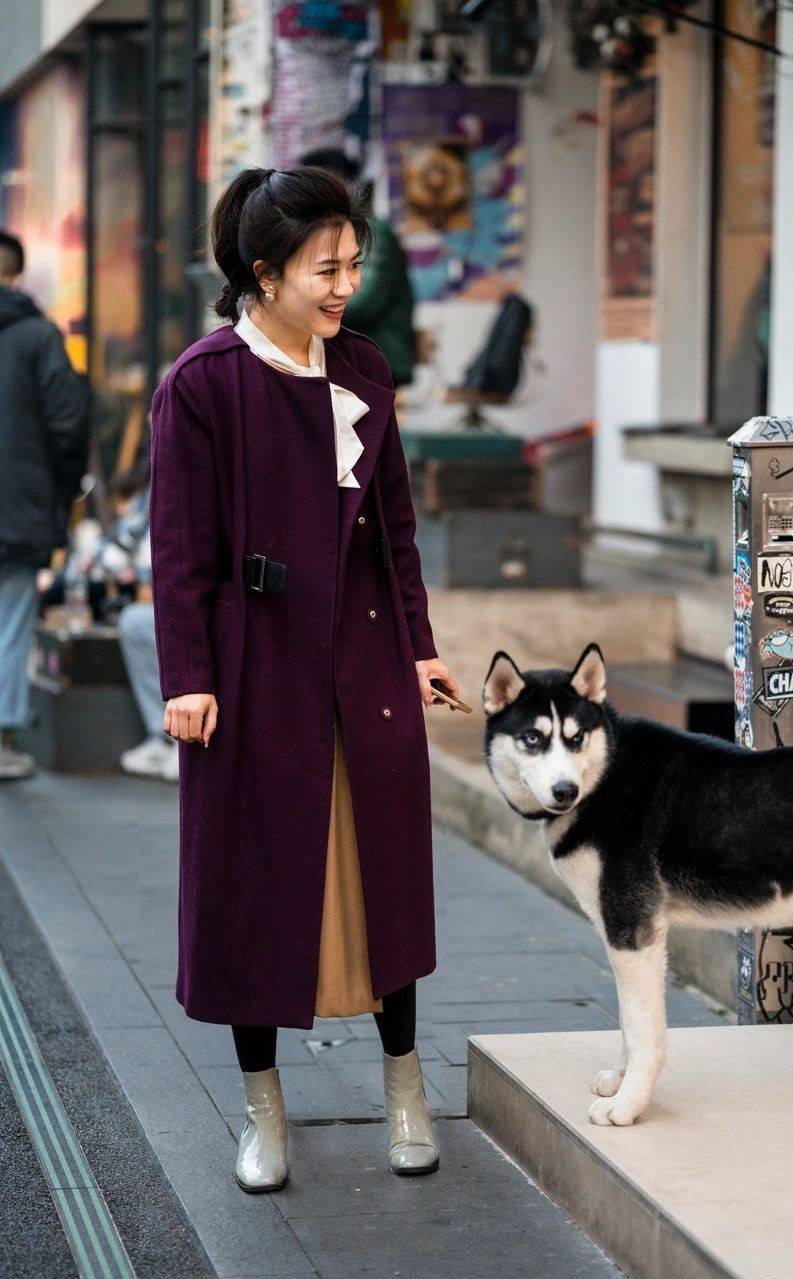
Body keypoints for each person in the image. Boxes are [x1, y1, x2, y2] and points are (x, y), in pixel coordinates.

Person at [148, 166, 462, 1194]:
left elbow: (395, 529)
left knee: (388, 883)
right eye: (327, 267)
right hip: (251, 670)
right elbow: (182, 550)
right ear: (264, 271)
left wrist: (419, 644)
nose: (346, 284)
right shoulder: (203, 383)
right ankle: (262, 1110)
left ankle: (405, 1086)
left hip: (364, 658)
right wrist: (188, 675)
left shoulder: (364, 368)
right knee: (251, 887)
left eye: (353, 262)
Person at [0, 230, 89, 780]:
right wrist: (61, 488)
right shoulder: (36, 336)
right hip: (17, 507)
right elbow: (66, 422)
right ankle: (3, 736)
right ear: (17, 274)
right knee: (10, 620)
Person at [300, 148, 417, 388]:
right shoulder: (330, 233)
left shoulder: (372, 233)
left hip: (375, 356)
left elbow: (365, 301)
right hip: (348, 355)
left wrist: (302, 308)